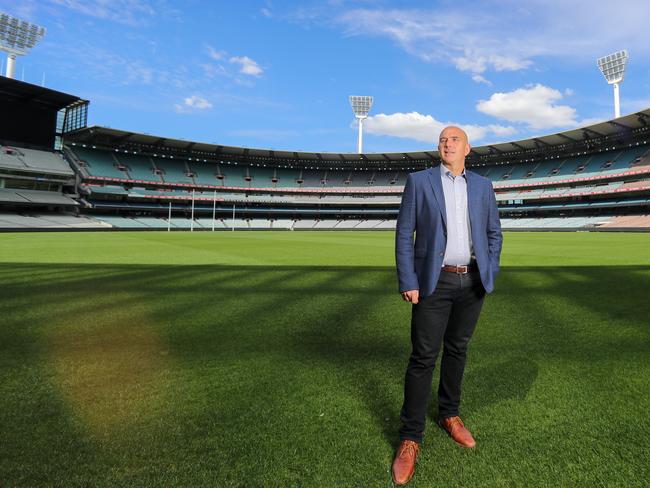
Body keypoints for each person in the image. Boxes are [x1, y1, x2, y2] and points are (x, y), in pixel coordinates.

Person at [391, 126, 503, 485]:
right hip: (433, 281)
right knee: (423, 357)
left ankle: (449, 414)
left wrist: (489, 271)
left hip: (471, 281)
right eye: (442, 139)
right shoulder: (419, 181)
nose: (447, 143)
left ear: (467, 148)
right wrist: (408, 279)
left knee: (458, 349)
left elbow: (494, 233)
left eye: (454, 139)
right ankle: (410, 437)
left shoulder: (483, 186)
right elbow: (404, 233)